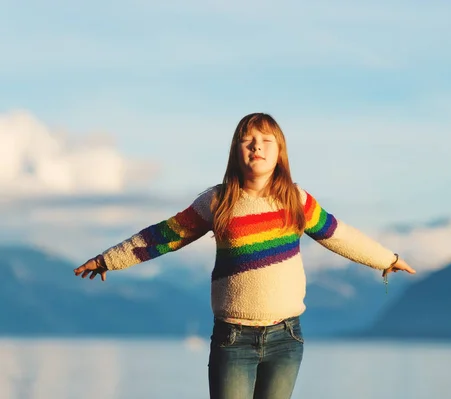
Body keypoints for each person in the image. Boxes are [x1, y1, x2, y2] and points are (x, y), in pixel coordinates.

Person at [74, 112, 416, 399]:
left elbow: (339, 235)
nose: (257, 146)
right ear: (236, 150)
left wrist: (387, 258)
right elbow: (164, 235)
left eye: (266, 141)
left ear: (279, 151)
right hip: (233, 340)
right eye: (248, 140)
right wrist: (108, 259)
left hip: (287, 338)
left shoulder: (296, 201)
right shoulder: (218, 202)